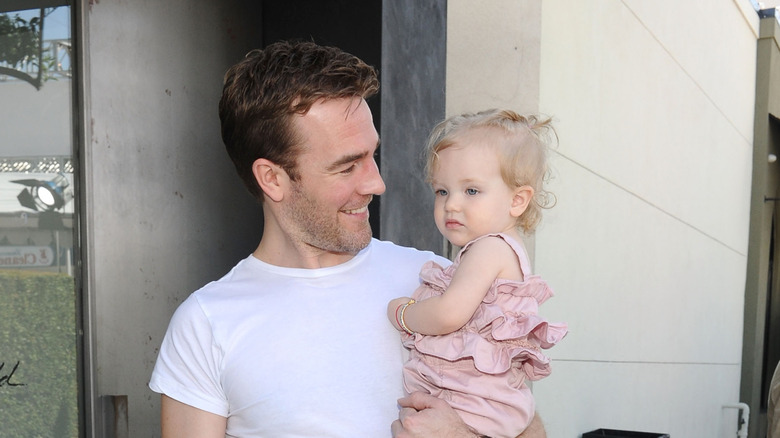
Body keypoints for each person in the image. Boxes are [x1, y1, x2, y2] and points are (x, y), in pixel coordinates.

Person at [149, 40, 547, 437]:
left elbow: (522, 420)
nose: (377, 183)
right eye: (346, 167)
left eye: (372, 155)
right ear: (272, 179)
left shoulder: (440, 281)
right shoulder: (205, 325)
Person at [387, 109, 568, 438]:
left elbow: (448, 314)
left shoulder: (488, 249)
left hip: (472, 404)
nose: (452, 204)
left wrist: (403, 313)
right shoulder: (498, 250)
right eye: (442, 191)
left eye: (471, 191)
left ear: (517, 200)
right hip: (482, 402)